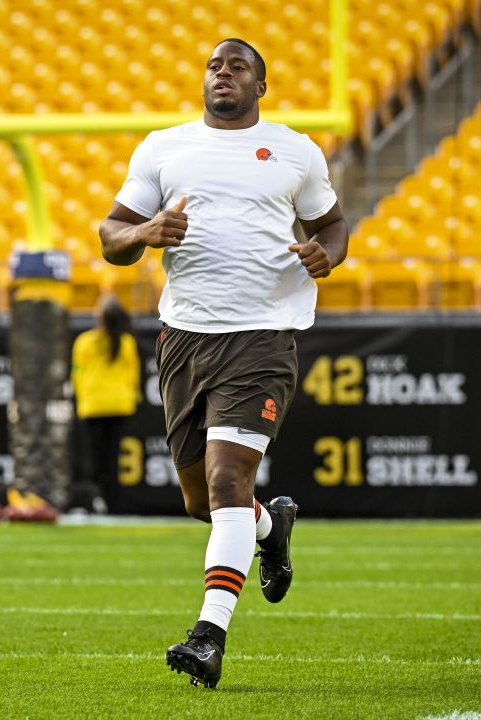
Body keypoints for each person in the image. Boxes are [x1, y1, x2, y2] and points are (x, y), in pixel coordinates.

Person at [98, 38, 349, 689]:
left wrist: (330, 254)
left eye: (238, 67)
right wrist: (143, 234)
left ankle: (209, 637)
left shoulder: (295, 149)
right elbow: (110, 237)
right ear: (203, 80)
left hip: (262, 336)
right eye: (215, 65)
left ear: (260, 86)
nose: (224, 74)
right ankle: (273, 523)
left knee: (227, 480)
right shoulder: (163, 147)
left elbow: (333, 226)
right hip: (184, 337)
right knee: (201, 499)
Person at [70, 295, 141, 513]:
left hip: (93, 405)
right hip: (120, 405)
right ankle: (115, 505)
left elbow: (77, 374)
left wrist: (82, 398)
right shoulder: (126, 342)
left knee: (93, 457)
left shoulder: (84, 341)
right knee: (113, 457)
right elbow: (133, 375)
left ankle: (95, 501)